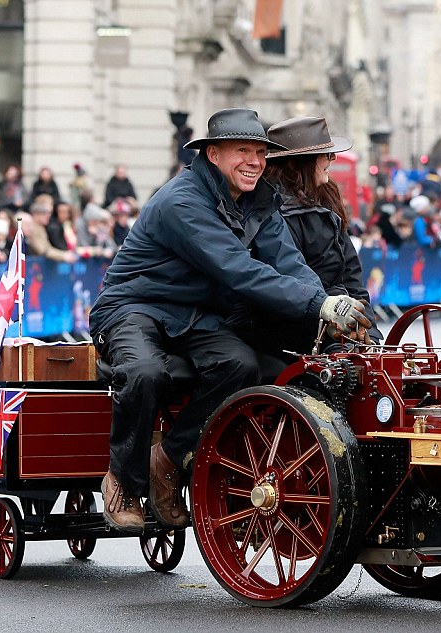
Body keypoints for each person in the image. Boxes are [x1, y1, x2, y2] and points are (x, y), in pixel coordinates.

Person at [89, 108, 370, 532]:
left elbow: (289, 264)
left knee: (242, 365)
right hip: (134, 306)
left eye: (260, 152)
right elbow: (238, 270)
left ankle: (168, 457)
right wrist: (321, 307)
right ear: (213, 154)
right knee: (143, 372)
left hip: (194, 315)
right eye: (243, 150)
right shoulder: (182, 201)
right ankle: (123, 480)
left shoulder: (260, 200)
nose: (254, 161)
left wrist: (328, 306)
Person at [259, 115, 382, 357]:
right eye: (325, 154)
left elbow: (351, 275)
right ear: (298, 163)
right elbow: (289, 283)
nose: (332, 159)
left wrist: (366, 325)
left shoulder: (327, 201)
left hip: (342, 319)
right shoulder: (269, 213)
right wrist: (339, 322)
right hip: (304, 327)